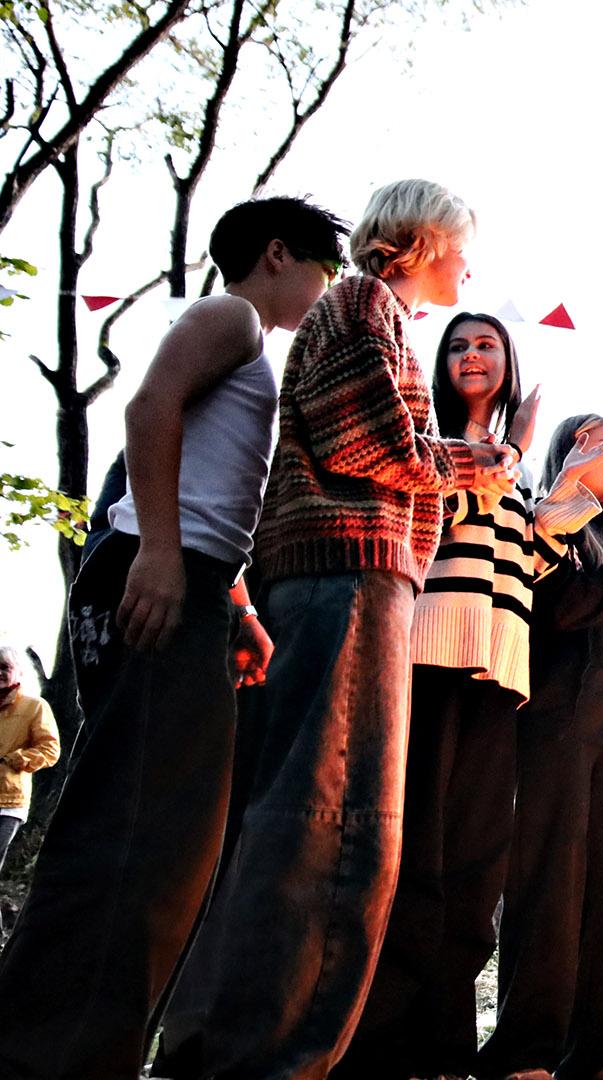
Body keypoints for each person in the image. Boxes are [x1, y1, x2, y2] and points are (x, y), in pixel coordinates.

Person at [153, 179, 517, 1080]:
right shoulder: (367, 304)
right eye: (464, 245)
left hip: (331, 576)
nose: (471, 265)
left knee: (289, 815)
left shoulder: (361, 312)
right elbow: (372, 448)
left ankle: (217, 1045)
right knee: (337, 821)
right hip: (349, 572)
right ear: (427, 239)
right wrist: (480, 462)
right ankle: (278, 1057)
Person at [0, 197, 346, 1080]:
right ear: (277, 254)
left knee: (177, 832)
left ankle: (96, 1044)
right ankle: (48, 1052)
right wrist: (157, 552)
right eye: (323, 269)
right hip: (153, 568)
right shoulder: (229, 316)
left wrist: (234, 600)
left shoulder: (259, 347)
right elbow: (150, 410)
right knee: (132, 824)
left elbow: (214, 480)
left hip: (198, 579)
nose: (328, 290)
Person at [335, 316, 595, 1079]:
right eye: (458, 345)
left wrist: (569, 492)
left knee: (474, 868)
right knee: (414, 859)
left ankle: (443, 1046)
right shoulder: (427, 442)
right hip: (427, 656)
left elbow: (528, 562)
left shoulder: (507, 473)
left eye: (487, 346)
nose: (472, 356)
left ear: (508, 363)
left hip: (498, 671)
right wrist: (506, 451)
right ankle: (378, 1044)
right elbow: (440, 516)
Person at [478, 414, 603, 1080]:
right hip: (557, 728)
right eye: (599, 445)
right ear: (568, 450)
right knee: (549, 893)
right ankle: (528, 1053)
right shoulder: (551, 520)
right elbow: (567, 607)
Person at [0, 645, 59, 874]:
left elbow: (50, 749)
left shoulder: (35, 707)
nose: (0, 673)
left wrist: (19, 759)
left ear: (20, 672)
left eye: (5, 668)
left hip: (10, 803)